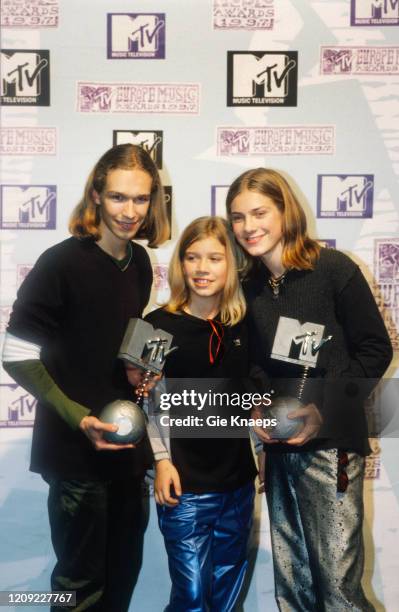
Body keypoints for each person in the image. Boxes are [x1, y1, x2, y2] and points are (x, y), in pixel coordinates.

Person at [2, 144, 169, 611]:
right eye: (118, 197)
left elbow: (106, 346)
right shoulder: (60, 263)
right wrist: (78, 416)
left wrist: (138, 371)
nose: (130, 211)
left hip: (126, 453)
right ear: (95, 194)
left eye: (140, 199)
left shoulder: (139, 264)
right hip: (76, 456)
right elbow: (15, 353)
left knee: (121, 581)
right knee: (77, 590)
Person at [226, 168, 393, 612]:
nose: (249, 227)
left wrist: (325, 407)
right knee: (293, 584)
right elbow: (256, 366)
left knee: (338, 586)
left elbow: (376, 349)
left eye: (259, 212)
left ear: (285, 212)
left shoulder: (333, 269)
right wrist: (257, 408)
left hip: (332, 446)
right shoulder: (249, 285)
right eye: (238, 217)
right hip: (280, 450)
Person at [128, 216, 257, 612]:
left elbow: (255, 399)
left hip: (237, 486)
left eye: (215, 258)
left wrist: (265, 452)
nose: (202, 269)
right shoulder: (156, 324)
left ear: (231, 263)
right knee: (193, 598)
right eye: (192, 257)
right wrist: (162, 462)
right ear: (180, 264)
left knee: (227, 595)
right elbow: (147, 400)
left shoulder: (246, 324)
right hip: (183, 487)